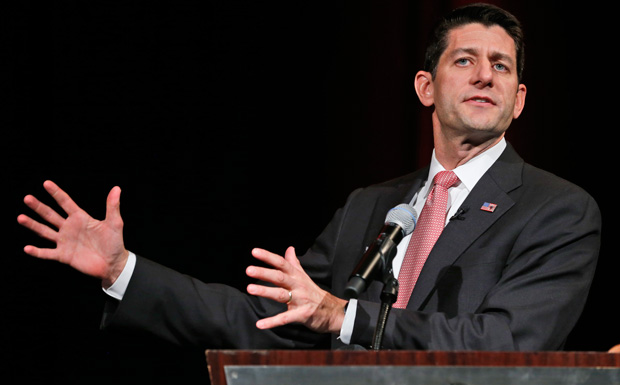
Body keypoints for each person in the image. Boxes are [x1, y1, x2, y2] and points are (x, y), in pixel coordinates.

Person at [17, 3, 601, 351]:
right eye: (465, 60)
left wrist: (342, 315)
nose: (485, 76)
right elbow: (272, 319)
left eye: (501, 66)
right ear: (426, 87)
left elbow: (503, 344)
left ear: (519, 100)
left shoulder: (558, 209)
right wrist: (125, 272)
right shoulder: (371, 207)